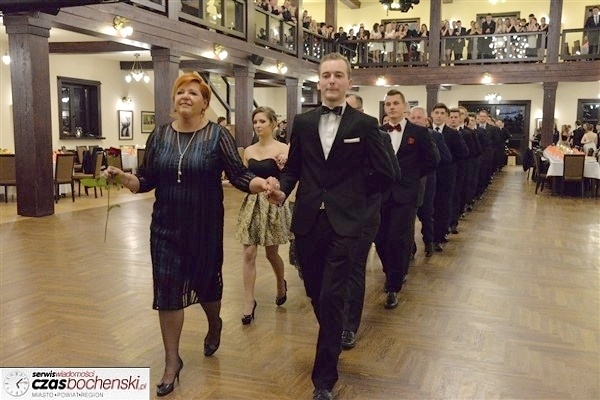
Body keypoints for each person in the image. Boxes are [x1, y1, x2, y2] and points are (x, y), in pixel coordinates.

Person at [103, 72, 276, 398]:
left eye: (193, 93)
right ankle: (172, 361)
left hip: (205, 228)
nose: (185, 96)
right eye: (180, 91)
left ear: (205, 103)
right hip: (165, 228)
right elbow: (146, 180)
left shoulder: (217, 136)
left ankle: (214, 323)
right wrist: (124, 178)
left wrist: (261, 184)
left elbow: (239, 176)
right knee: (167, 292)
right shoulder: (160, 136)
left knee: (207, 287)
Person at [268, 52, 396, 400]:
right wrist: (281, 190)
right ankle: (333, 329)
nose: (332, 81)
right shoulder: (303, 122)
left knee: (332, 295)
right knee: (315, 291)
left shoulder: (365, 125)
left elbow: (387, 173)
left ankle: (324, 380)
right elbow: (294, 168)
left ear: (349, 82)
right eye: (326, 75)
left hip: (347, 224)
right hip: (309, 220)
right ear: (319, 81)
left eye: (338, 75)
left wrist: (357, 198)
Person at [376, 90, 437, 306]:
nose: (392, 107)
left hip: (406, 194)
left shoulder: (418, 132)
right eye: (388, 104)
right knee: (380, 238)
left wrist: (411, 179)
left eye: (395, 103)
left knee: (398, 238)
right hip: (381, 193)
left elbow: (431, 161)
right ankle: (390, 271)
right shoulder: (378, 132)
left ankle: (394, 285)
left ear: (404, 107)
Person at [235, 106, 292, 324]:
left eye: (262, 121)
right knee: (249, 253)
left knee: (271, 254)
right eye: (255, 122)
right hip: (252, 204)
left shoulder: (282, 148)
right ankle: (249, 302)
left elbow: (289, 177)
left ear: (273, 124)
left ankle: (280, 282)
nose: (258, 126)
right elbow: (243, 177)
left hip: (272, 203)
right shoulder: (249, 151)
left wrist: (281, 171)